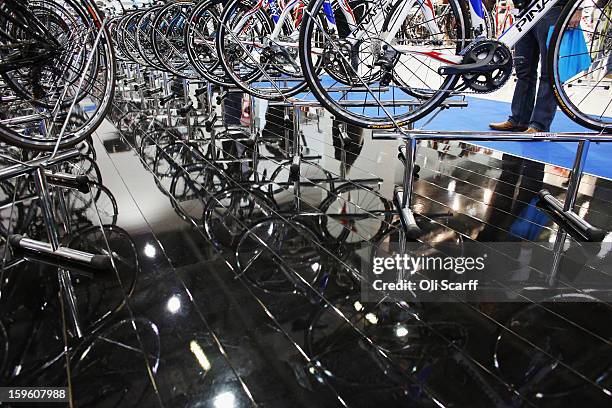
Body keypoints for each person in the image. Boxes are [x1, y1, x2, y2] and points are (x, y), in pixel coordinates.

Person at [489, 3, 581, 133]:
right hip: (525, 10)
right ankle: (519, 120)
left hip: (553, 8)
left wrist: (576, 8)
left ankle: (539, 125)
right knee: (523, 70)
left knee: (549, 72)